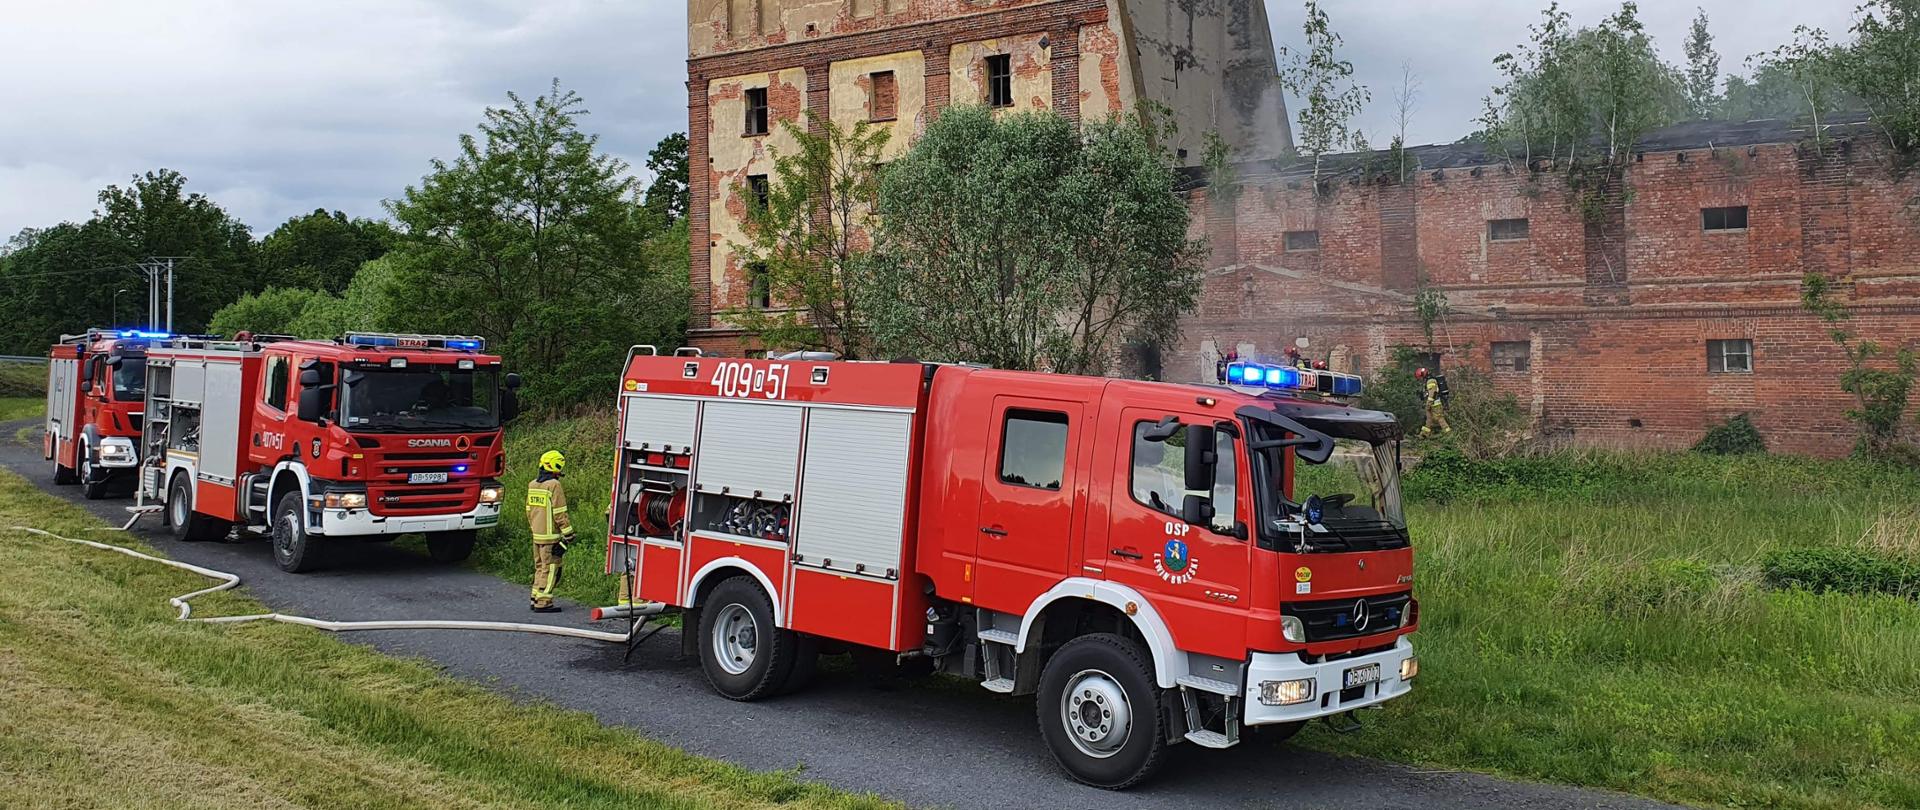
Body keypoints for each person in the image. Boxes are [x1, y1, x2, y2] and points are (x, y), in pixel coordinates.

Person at [526, 450, 576, 613]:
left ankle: (535, 597)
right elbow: (559, 512)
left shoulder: (533, 484)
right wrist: (568, 533)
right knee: (551, 568)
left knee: (540, 567)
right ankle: (543, 602)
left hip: (537, 535)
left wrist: (534, 528)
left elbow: (529, 510)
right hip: (550, 536)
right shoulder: (554, 485)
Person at [1417, 368, 1451, 436]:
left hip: (1435, 404)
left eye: (1420, 378)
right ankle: (1424, 434)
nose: (1420, 379)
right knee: (1429, 419)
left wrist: (1428, 404)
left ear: (1423, 375)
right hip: (1431, 404)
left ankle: (1449, 434)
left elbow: (1432, 393)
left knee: (1440, 418)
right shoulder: (1428, 380)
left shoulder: (1430, 381)